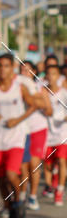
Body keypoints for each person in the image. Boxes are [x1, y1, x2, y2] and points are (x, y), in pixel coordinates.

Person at [0, 53, 40, 218]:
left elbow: (34, 105)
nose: (2, 69)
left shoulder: (19, 87)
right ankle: (10, 206)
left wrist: (18, 120)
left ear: (12, 68)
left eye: (6, 66)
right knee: (0, 180)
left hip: (16, 138)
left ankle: (19, 199)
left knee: (11, 174)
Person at [19, 60, 51, 210]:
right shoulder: (15, 87)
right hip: (21, 130)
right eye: (22, 70)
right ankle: (22, 194)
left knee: (34, 163)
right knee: (22, 165)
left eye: (28, 71)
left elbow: (49, 110)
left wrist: (37, 101)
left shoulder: (40, 88)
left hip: (38, 129)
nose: (24, 73)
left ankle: (32, 196)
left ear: (34, 73)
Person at [42, 60, 67, 206]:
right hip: (47, 135)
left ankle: (59, 192)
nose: (51, 77)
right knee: (48, 166)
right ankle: (53, 182)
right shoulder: (43, 93)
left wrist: (63, 118)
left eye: (54, 74)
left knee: (63, 161)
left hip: (63, 133)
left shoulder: (64, 93)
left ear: (58, 76)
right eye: (48, 74)